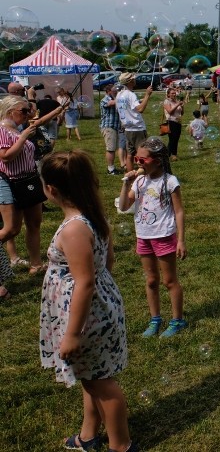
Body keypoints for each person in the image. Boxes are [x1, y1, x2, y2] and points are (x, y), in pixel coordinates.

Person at [39, 151, 137, 452]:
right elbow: (107, 262)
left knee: (101, 384)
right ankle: (88, 435)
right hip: (98, 308)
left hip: (85, 317)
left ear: (51, 190)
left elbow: (85, 281)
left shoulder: (74, 229)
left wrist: (72, 332)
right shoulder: (92, 215)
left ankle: (121, 446)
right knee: (91, 376)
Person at [118, 137, 187, 337]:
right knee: (150, 280)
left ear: (157, 160)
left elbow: (179, 212)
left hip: (164, 235)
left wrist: (181, 240)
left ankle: (177, 320)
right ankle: (155, 319)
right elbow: (123, 207)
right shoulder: (139, 181)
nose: (138, 163)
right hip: (144, 236)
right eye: (136, 159)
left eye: (143, 160)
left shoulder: (170, 182)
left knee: (169, 281)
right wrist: (126, 185)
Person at [0, 95, 66, 273]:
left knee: (34, 223)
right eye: (24, 110)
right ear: (9, 111)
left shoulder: (18, 127)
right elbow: (5, 157)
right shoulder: (3, 130)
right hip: (12, 182)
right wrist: (23, 138)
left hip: (29, 179)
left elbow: (38, 122)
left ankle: (36, 264)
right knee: (12, 229)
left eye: (28, 110)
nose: (28, 113)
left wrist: (57, 111)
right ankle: (13, 257)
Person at [115, 73, 154, 160]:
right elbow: (140, 109)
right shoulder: (130, 94)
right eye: (133, 79)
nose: (135, 80)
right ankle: (142, 173)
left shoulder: (119, 94)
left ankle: (129, 173)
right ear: (130, 82)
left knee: (130, 155)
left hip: (127, 128)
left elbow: (127, 107)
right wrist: (147, 94)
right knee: (142, 154)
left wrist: (144, 99)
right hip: (137, 129)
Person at [99, 84, 122, 175]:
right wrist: (121, 96)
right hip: (108, 127)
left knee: (113, 148)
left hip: (115, 127)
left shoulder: (115, 98)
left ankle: (112, 168)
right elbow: (111, 103)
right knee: (111, 149)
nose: (116, 93)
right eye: (114, 91)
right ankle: (110, 169)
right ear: (108, 91)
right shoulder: (105, 99)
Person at [162, 87, 185, 161]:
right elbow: (170, 111)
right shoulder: (166, 101)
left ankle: (172, 155)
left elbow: (182, 113)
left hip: (178, 122)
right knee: (172, 139)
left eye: (175, 93)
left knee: (176, 139)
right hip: (171, 122)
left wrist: (182, 106)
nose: (174, 94)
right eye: (172, 93)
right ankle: (170, 155)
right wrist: (178, 104)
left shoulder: (176, 101)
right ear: (168, 94)